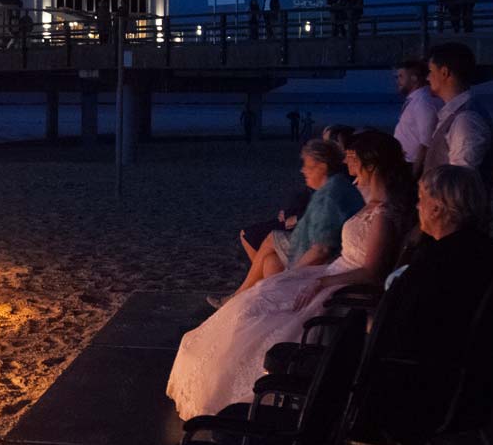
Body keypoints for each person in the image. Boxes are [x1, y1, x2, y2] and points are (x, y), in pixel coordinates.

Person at [166, 130, 413, 419]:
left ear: (371, 164)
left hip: (340, 282)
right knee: (256, 299)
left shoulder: (382, 214)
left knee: (260, 314)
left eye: (354, 159)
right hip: (332, 272)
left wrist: (322, 281)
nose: (348, 165)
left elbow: (372, 271)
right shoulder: (370, 201)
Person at [346, 165, 493, 445]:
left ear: (438, 208)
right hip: (470, 390)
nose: (418, 206)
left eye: (422, 198)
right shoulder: (487, 253)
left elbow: (408, 329)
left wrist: (369, 324)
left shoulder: (439, 264)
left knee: (325, 370)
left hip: (422, 391)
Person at [228, 139, 363, 298]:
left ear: (322, 167)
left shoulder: (330, 196)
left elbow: (322, 249)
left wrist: (289, 275)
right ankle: (267, 300)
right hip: (316, 251)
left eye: (307, 166)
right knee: (270, 261)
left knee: (272, 238)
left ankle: (242, 295)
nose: (303, 170)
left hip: (327, 260)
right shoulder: (334, 187)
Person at [421, 41, 493, 175]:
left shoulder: (466, 120)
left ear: (444, 72)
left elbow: (461, 180)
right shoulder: (457, 115)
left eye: (430, 71)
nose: (427, 77)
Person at [391, 58, 441, 167]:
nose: (397, 81)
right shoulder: (417, 100)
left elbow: (426, 142)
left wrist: (414, 173)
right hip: (406, 161)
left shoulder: (423, 101)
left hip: (413, 165)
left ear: (414, 78)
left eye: (401, 76)